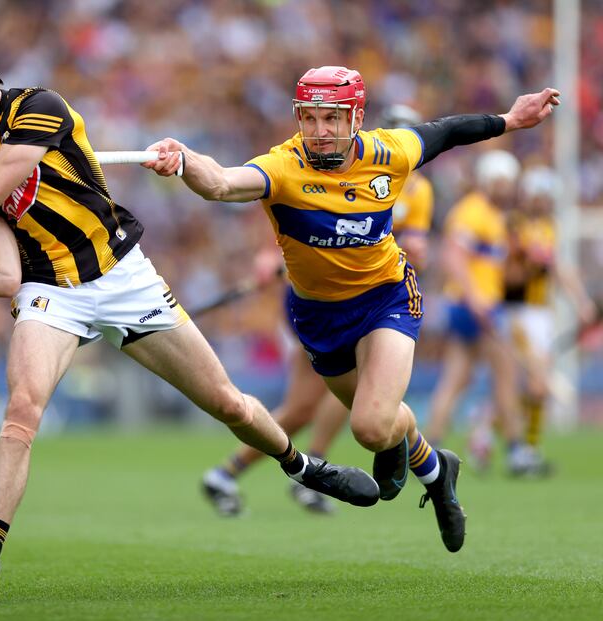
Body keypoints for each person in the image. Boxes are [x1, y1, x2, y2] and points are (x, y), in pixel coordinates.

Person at [0, 30, 380, 602]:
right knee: (21, 411)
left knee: (227, 403)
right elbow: (3, 277)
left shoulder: (38, 106)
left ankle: (301, 465)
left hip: (124, 275)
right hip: (49, 290)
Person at [144, 65, 561, 553]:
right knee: (382, 422)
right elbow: (219, 183)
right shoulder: (281, 168)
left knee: (369, 425)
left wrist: (509, 120)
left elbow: (446, 132)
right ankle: (439, 473)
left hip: (386, 298)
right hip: (319, 319)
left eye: (332, 119)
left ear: (356, 117)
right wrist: (185, 160)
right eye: (310, 118)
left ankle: (411, 457)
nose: (319, 132)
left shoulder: (390, 151)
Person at [201, 103, 435, 516]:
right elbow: (289, 209)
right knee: (309, 405)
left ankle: (244, 472)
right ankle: (251, 473)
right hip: (321, 305)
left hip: (374, 298)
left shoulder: (415, 190)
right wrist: (271, 258)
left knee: (330, 405)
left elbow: (412, 241)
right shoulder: (328, 167)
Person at [425, 150, 548, 475]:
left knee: (457, 377)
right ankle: (516, 451)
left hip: (478, 303)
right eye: (501, 182)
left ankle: (429, 448)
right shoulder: (471, 212)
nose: (506, 188)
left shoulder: (497, 218)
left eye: (508, 182)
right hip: (473, 306)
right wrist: (476, 298)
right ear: (488, 180)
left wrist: (531, 265)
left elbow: (499, 272)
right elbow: (454, 258)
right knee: (505, 375)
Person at [467, 165, 596, 473]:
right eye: (540, 195)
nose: (544, 201)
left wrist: (580, 300)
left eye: (548, 196)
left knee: (526, 390)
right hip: (515, 313)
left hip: (542, 314)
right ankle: (526, 449)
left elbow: (558, 268)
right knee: (537, 385)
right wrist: (527, 261)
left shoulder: (550, 227)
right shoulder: (512, 225)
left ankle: (486, 430)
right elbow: (507, 277)